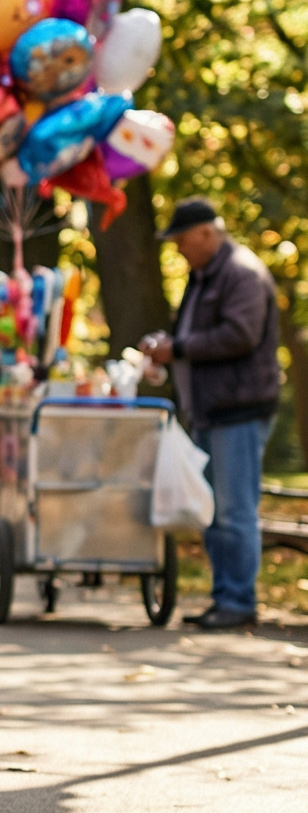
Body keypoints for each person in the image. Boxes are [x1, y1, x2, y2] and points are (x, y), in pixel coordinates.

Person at [140, 198, 283, 632]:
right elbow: (193, 333)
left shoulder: (241, 273)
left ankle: (239, 600)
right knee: (212, 508)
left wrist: (177, 348)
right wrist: (168, 345)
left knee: (235, 509)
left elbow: (240, 335)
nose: (179, 249)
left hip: (238, 409)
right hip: (209, 409)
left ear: (206, 232)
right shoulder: (204, 276)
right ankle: (226, 597)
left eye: (182, 240)